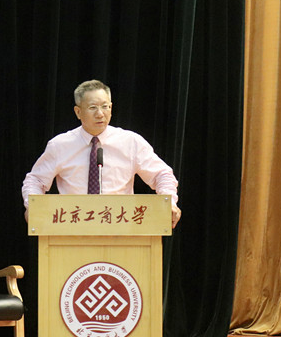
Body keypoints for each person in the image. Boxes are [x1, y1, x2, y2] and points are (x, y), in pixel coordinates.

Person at [22, 79, 182, 228]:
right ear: (78, 112)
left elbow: (162, 174)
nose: (100, 114)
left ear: (111, 108)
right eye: (93, 108)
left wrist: (169, 202)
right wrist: (33, 205)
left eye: (105, 107)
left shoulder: (131, 142)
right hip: (73, 227)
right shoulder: (60, 145)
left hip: (121, 228)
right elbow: (36, 180)